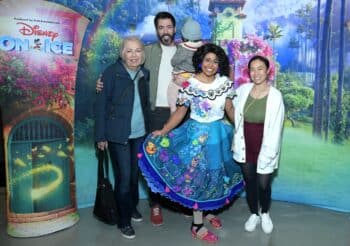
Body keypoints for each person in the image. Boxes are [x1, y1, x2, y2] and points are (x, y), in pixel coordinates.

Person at [138, 43, 244, 243]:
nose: (211, 64)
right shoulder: (190, 85)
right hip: (195, 138)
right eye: (207, 60)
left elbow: (230, 109)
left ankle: (209, 211)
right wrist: (164, 130)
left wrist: (241, 131)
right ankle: (197, 225)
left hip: (219, 138)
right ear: (200, 61)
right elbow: (180, 112)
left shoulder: (225, 83)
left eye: (215, 61)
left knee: (218, 176)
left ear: (219, 63)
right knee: (198, 179)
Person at [94, 36, 150, 239]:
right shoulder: (110, 74)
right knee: (124, 178)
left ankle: (131, 207)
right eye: (129, 51)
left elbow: (144, 105)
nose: (133, 55)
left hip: (140, 134)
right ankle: (123, 220)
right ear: (122, 53)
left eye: (137, 51)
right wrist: (100, 135)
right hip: (119, 136)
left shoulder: (145, 74)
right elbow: (100, 106)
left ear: (143, 55)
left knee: (135, 176)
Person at [232, 55, 285, 234]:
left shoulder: (276, 96)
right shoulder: (242, 90)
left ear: (267, 70)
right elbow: (231, 108)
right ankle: (254, 213)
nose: (256, 73)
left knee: (263, 184)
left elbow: (277, 128)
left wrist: (270, 151)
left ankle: (265, 212)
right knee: (250, 181)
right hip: (245, 143)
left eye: (260, 68)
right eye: (252, 69)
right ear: (249, 72)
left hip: (265, 144)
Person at [167, 18, 203, 113]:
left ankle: (173, 111)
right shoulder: (202, 48)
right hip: (194, 79)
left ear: (184, 36)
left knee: (172, 91)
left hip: (181, 76)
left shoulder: (184, 48)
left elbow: (174, 61)